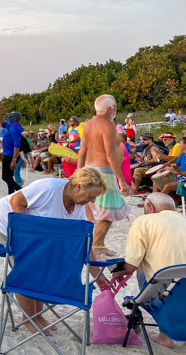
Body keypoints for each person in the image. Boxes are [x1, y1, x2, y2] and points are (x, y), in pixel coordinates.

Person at [0, 167, 107, 334]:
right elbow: (16, 201)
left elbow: (84, 244)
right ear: (78, 186)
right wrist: (27, 238)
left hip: (38, 234)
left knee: (42, 268)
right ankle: (29, 317)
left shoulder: (79, 207)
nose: (93, 201)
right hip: (6, 221)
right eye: (91, 196)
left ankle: (37, 315)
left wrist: (98, 275)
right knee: (25, 268)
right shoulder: (49, 188)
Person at [112, 192, 186, 349]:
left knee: (142, 262)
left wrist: (118, 271)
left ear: (149, 207)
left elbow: (130, 264)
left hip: (168, 298)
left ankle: (165, 336)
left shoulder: (145, 221)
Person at [77, 94, 131, 256]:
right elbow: (110, 154)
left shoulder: (89, 124)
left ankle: (99, 245)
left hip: (89, 167)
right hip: (103, 172)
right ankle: (94, 247)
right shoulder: (107, 125)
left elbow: (82, 151)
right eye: (114, 107)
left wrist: (79, 172)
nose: (115, 110)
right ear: (109, 109)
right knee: (108, 212)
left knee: (105, 212)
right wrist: (121, 179)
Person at [153, 136, 186, 203]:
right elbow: (176, 166)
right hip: (181, 177)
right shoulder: (183, 155)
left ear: (185, 145)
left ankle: (156, 203)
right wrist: (165, 169)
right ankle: (153, 200)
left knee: (168, 186)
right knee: (156, 181)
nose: (179, 145)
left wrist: (177, 172)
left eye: (181, 143)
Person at [0, 108, 24, 194]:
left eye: (10, 117)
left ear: (14, 118)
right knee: (10, 177)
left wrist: (14, 160)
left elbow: (17, 146)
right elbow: (2, 123)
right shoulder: (12, 125)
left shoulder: (15, 128)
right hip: (8, 155)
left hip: (10, 156)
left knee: (5, 177)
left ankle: (20, 191)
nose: (8, 118)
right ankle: (11, 195)